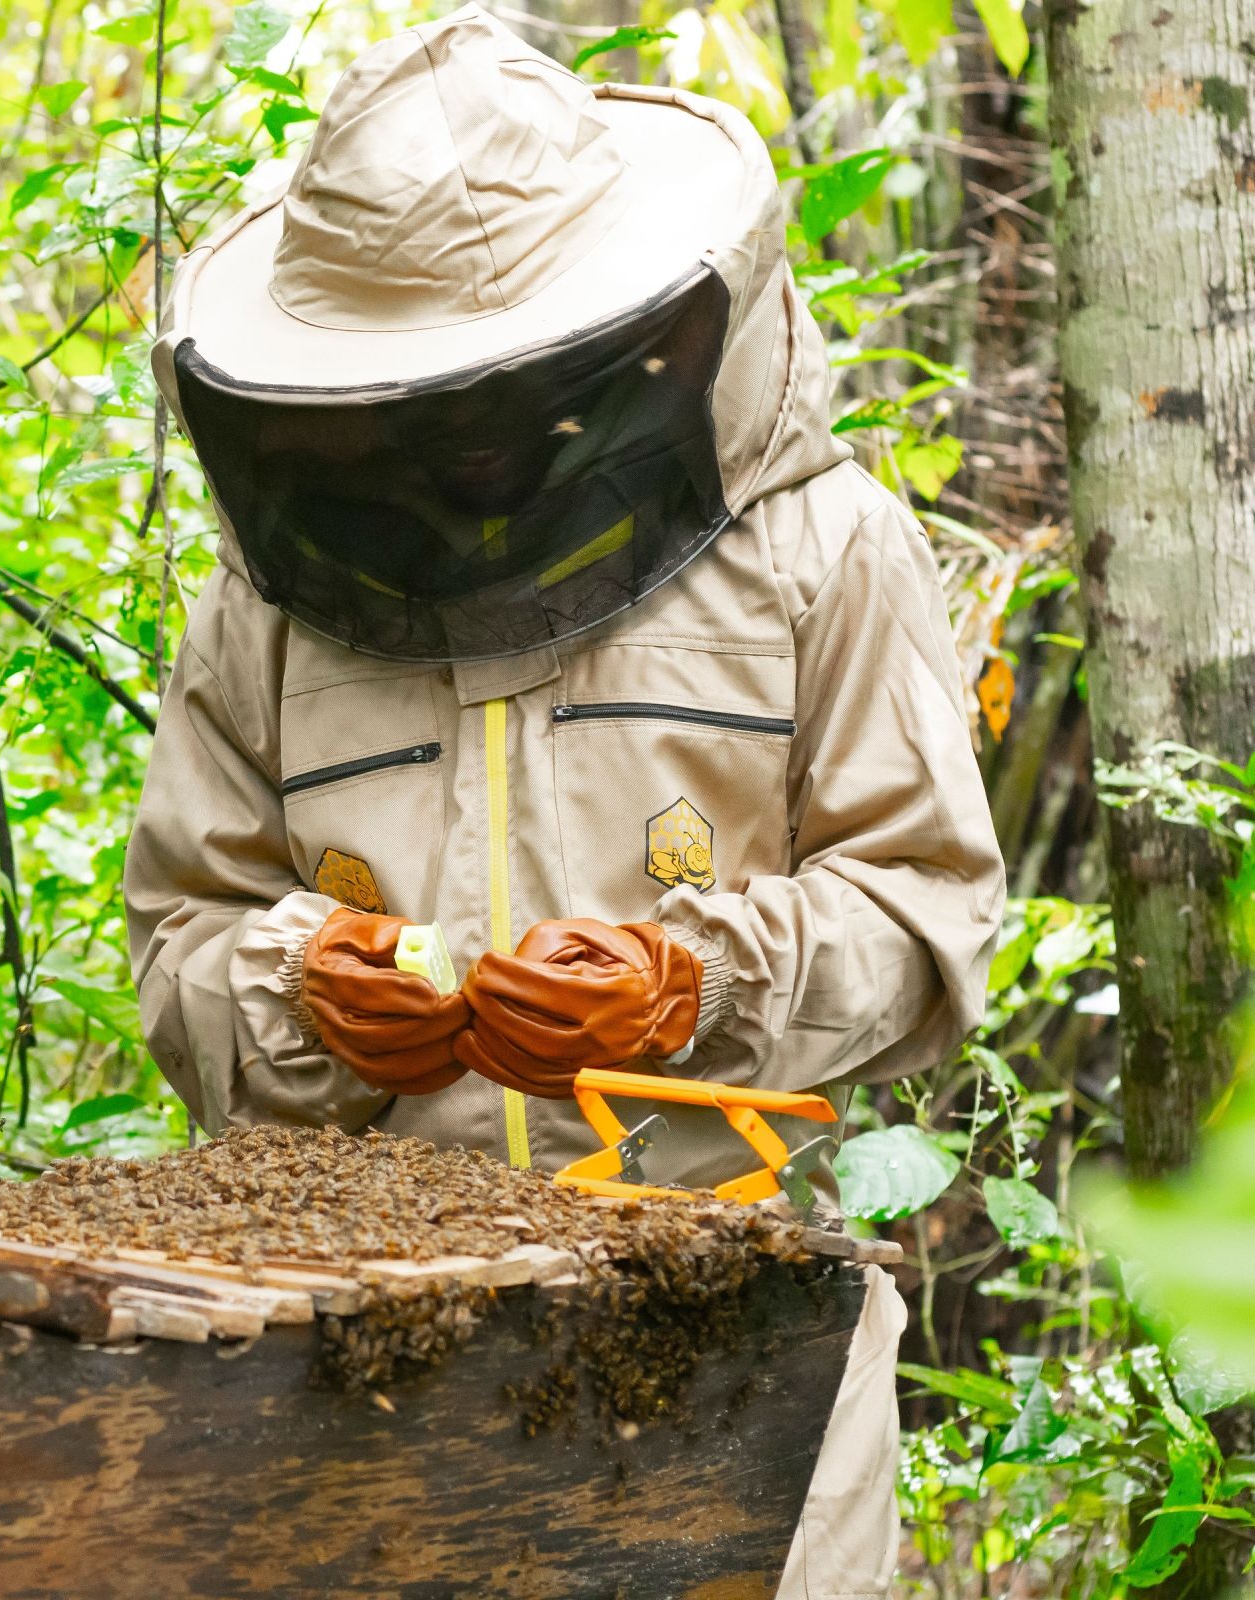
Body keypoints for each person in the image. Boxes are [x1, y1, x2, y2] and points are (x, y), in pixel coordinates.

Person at [126, 11, 1003, 1597]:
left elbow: (927, 918)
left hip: (741, 1343)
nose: (465, 451)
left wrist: (694, 987)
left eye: (496, 397)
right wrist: (293, 995)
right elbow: (180, 942)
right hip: (364, 1366)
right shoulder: (262, 613)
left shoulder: (824, 550)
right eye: (416, 405)